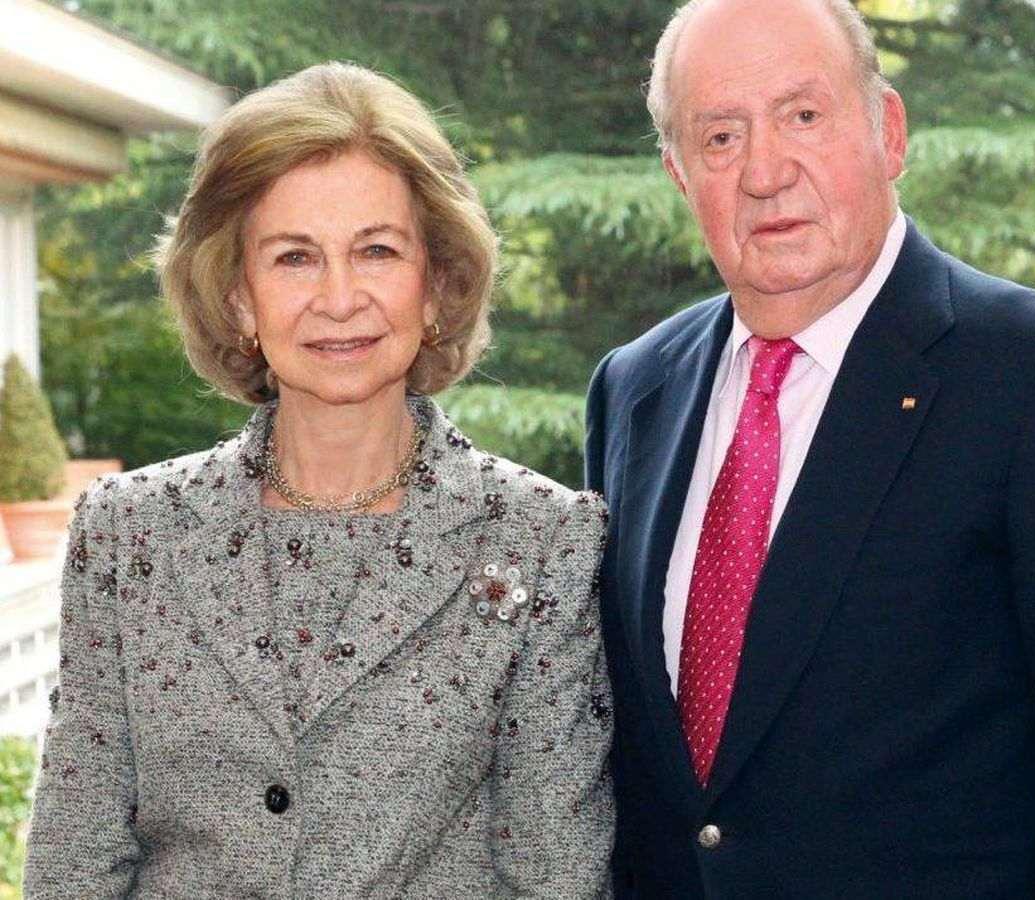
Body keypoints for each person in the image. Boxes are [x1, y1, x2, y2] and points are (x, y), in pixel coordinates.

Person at [584, 0, 1035, 896]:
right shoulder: (636, 390)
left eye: (803, 115)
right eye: (720, 137)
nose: (764, 172)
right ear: (680, 173)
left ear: (890, 132)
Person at [24, 62, 614, 898]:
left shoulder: (541, 541)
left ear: (436, 286)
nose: (339, 298)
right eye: (295, 257)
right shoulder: (129, 533)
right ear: (239, 298)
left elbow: (555, 876)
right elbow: (74, 862)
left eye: (376, 250)